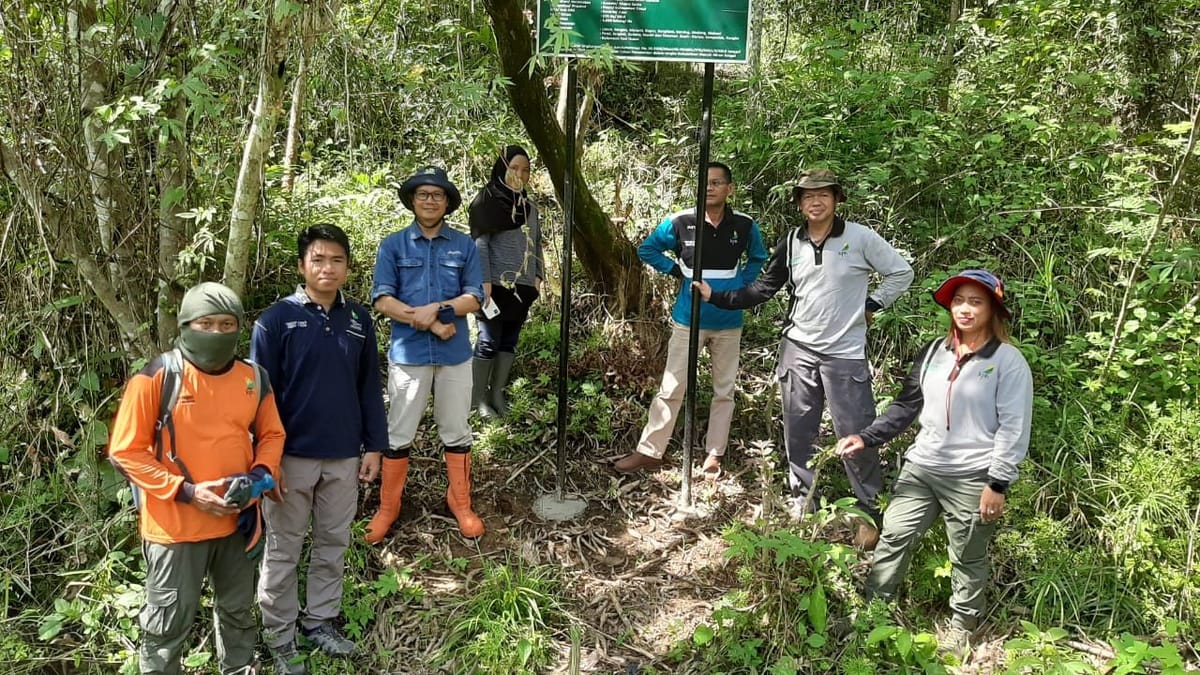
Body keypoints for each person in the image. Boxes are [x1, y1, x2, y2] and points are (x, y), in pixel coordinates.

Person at [695, 169, 913, 547]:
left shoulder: (860, 238)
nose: (816, 202)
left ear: (836, 199)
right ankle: (803, 502)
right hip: (798, 348)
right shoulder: (792, 242)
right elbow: (764, 288)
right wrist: (719, 296)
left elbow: (901, 272)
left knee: (857, 433)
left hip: (844, 354)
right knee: (798, 430)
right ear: (799, 203)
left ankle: (869, 513)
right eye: (808, 196)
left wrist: (874, 303)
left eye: (824, 195)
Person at [836, 269, 1033, 655]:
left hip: (974, 475)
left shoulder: (1009, 362)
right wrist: (867, 436)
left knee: (967, 554)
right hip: (922, 467)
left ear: (993, 309)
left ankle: (962, 628)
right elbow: (907, 405)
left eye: (976, 301)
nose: (965, 309)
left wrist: (998, 484)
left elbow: (1014, 427)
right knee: (894, 536)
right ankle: (874, 613)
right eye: (959, 300)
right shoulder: (933, 353)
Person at [108, 282, 286, 675]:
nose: (217, 333)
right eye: (206, 323)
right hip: (174, 529)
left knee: (239, 613)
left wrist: (260, 475)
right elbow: (125, 452)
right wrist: (186, 492)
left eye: (227, 324)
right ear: (185, 325)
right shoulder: (157, 376)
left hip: (236, 526)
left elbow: (272, 434)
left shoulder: (254, 378)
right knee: (166, 625)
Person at [251, 224, 389, 673]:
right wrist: (267, 460)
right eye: (318, 259)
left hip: (345, 454)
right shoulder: (274, 321)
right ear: (301, 266)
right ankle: (280, 634)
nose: (327, 267)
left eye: (336, 260)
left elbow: (369, 385)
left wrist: (374, 446)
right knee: (284, 547)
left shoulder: (358, 320)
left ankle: (320, 621)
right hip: (290, 457)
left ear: (348, 268)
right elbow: (260, 397)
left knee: (333, 542)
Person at [614, 162, 768, 477]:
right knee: (672, 387)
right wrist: (678, 273)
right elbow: (648, 250)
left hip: (729, 320)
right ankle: (650, 451)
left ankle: (714, 454)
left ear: (730, 189)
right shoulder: (680, 221)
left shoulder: (744, 225)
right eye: (704, 182)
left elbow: (758, 257)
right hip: (688, 318)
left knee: (724, 390)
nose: (709, 187)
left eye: (717, 182)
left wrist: (742, 285)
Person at [366, 165, 485, 542]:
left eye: (437, 195)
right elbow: (383, 300)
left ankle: (460, 502)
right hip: (408, 354)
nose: (430, 200)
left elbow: (475, 297)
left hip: (455, 355)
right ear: (412, 201)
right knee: (399, 433)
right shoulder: (393, 245)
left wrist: (438, 309)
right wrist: (432, 322)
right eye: (423, 194)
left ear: (447, 202)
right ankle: (389, 506)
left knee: (457, 430)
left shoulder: (464, 245)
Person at [468, 145, 545, 417]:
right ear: (503, 168)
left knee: (509, 341)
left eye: (525, 170)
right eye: (514, 168)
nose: (519, 174)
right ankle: (477, 400)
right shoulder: (486, 201)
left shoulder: (530, 207)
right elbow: (480, 243)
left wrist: (538, 276)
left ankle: (496, 393)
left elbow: (536, 243)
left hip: (522, 286)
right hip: (494, 285)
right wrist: (484, 280)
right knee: (488, 339)